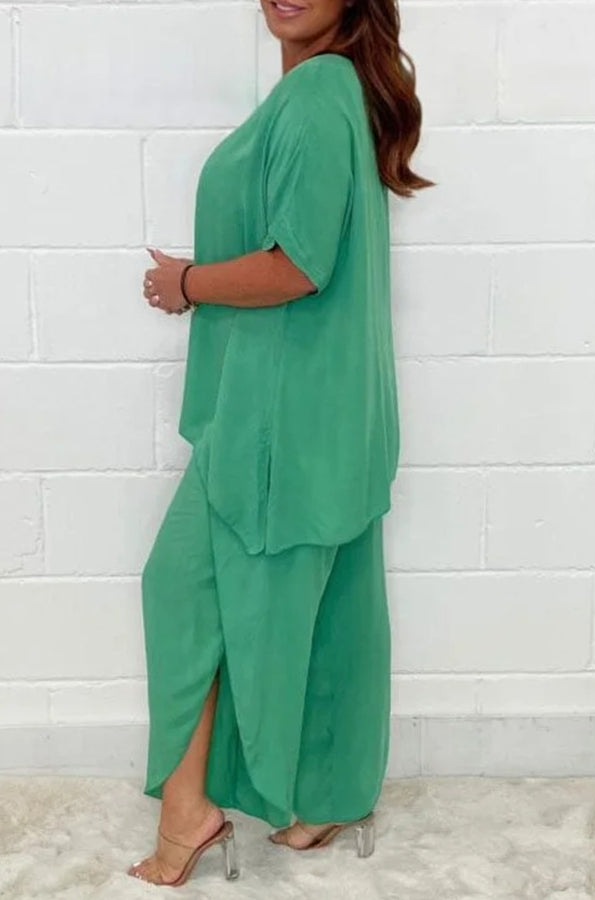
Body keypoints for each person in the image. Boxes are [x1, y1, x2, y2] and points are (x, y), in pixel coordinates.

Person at [127, 0, 433, 887]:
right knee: (334, 606)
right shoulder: (337, 92)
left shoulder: (317, 97)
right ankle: (328, 794)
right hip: (325, 408)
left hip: (280, 418)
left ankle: (189, 817)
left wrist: (187, 283)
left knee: (186, 592)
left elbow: (298, 265)